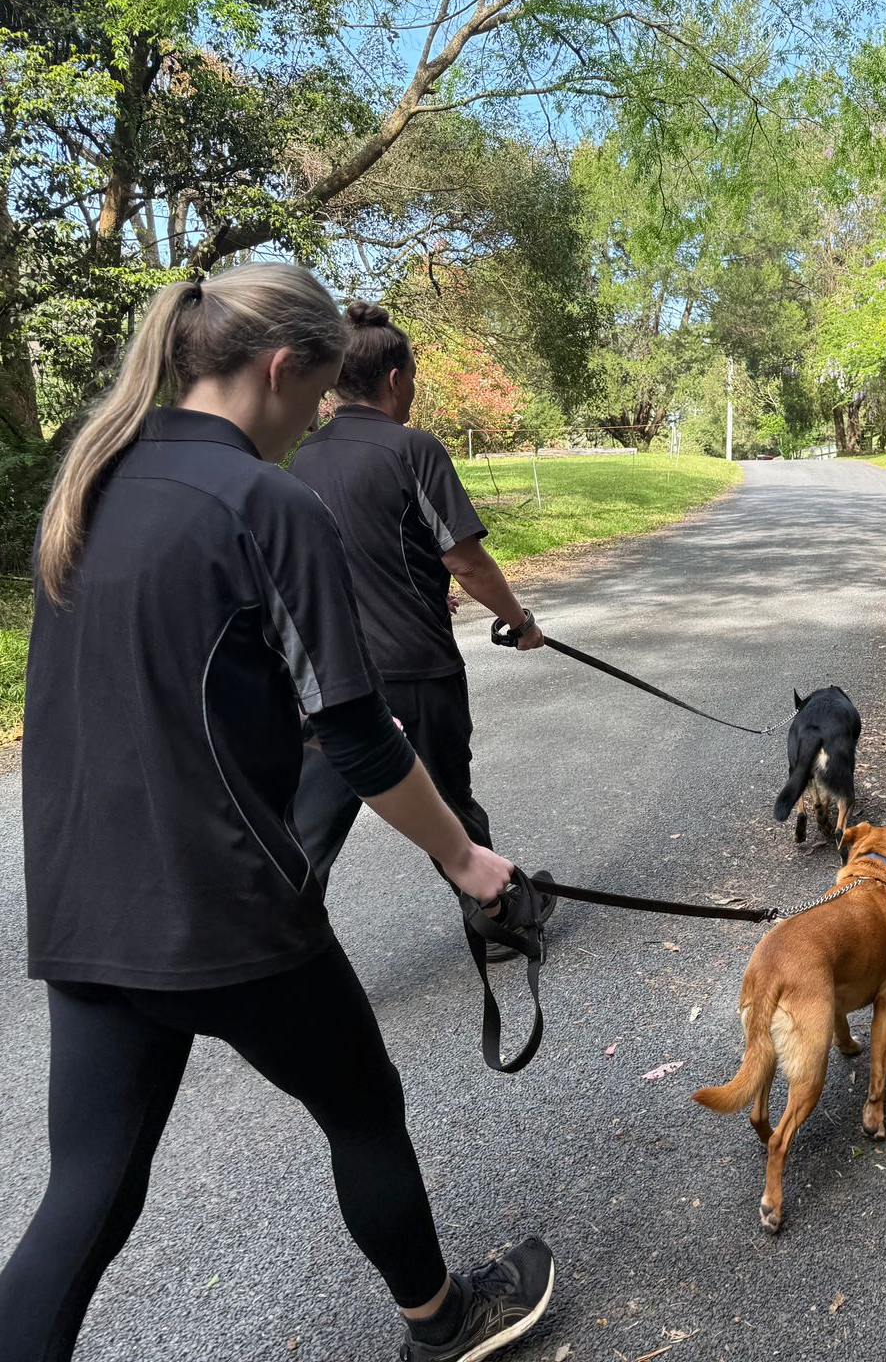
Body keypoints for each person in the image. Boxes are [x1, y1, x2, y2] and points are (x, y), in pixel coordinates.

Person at [0, 264, 555, 1362]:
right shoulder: (266, 501)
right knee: (362, 1105)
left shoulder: (92, 478)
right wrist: (465, 859)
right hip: (224, 910)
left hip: (81, 902)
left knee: (91, 1190)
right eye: (312, 397)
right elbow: (354, 734)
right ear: (277, 367)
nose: (311, 423)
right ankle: (443, 1323)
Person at [289, 301, 554, 960]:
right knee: (448, 803)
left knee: (308, 829)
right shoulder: (413, 449)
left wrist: (421, 586)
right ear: (397, 378)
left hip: (325, 676)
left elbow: (341, 561)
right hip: (412, 670)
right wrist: (518, 621)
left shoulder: (299, 462)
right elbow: (464, 558)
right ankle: (498, 919)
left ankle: (276, 949)